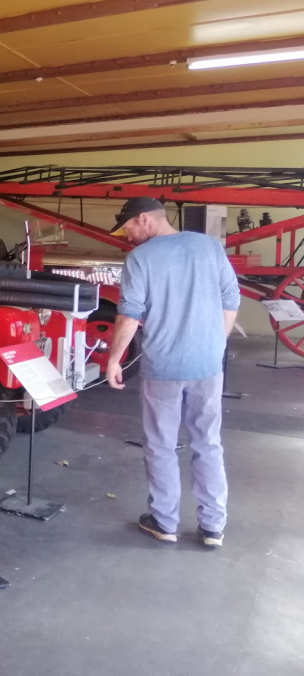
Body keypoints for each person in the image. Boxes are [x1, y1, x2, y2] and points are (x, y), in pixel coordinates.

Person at [106, 197, 240, 548]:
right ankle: (213, 527)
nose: (128, 235)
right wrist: (215, 343)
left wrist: (113, 359)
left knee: (161, 445)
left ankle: (164, 521)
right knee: (208, 443)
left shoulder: (141, 258)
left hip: (163, 366)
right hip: (208, 365)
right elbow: (231, 298)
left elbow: (130, 314)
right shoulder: (210, 247)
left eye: (129, 227)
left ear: (144, 220)